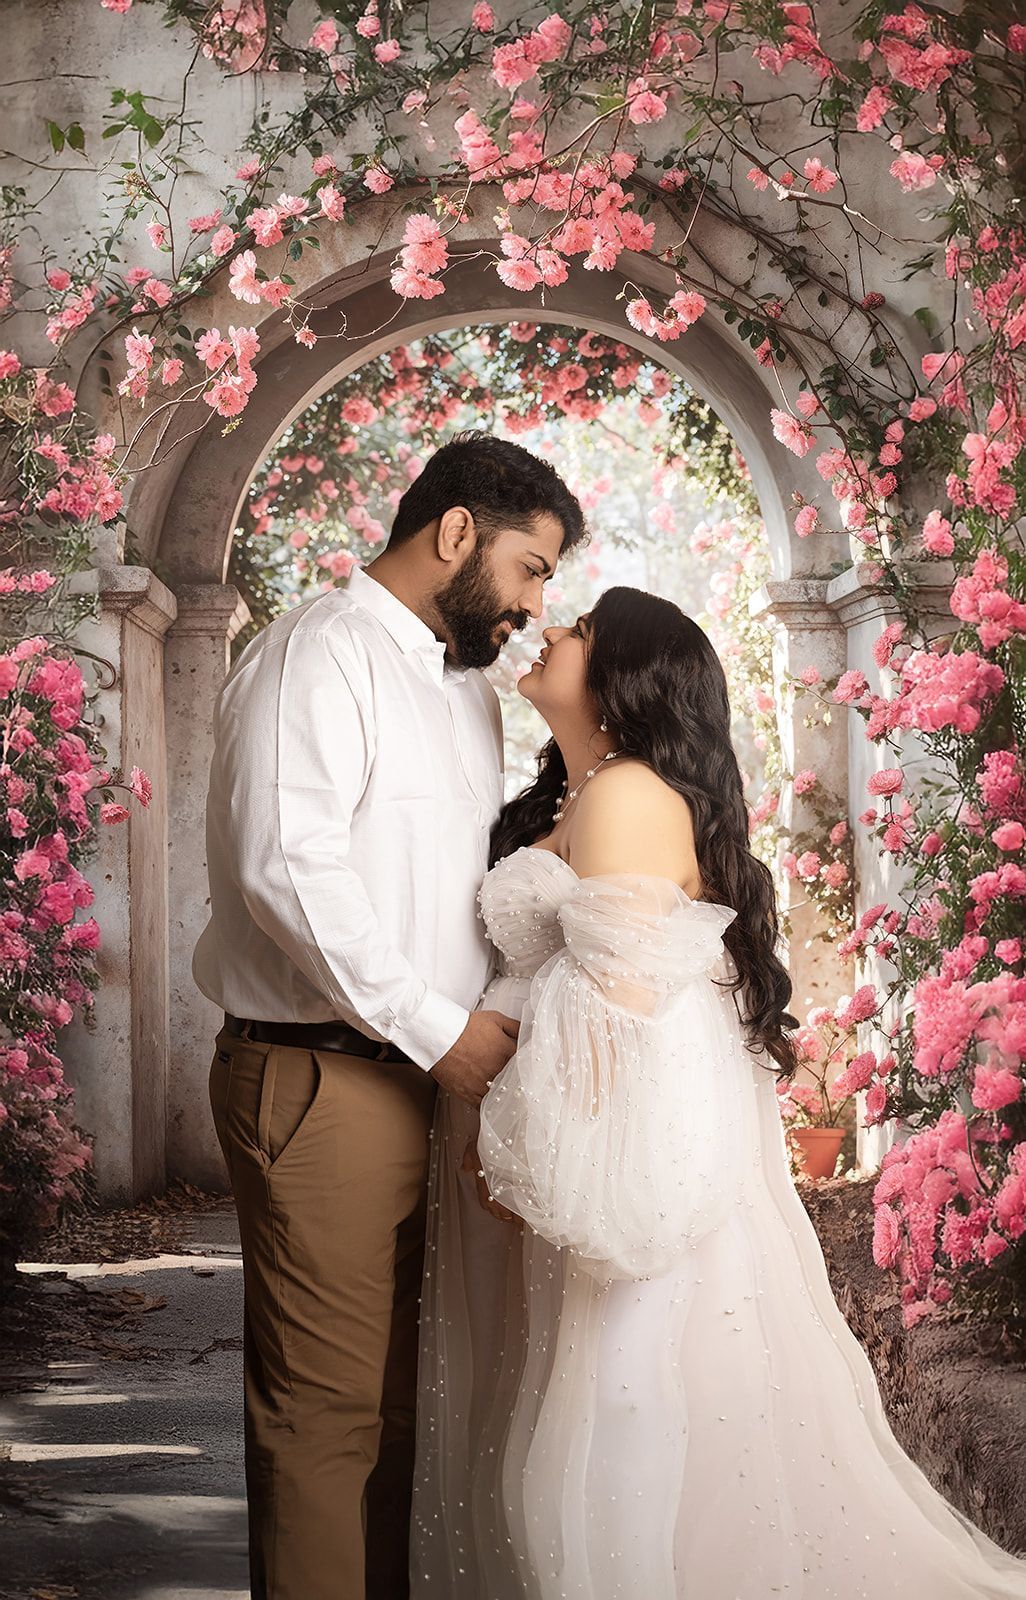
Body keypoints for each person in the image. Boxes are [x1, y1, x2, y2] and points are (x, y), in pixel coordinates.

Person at [411, 586, 1026, 1599]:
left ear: (625, 679)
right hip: (589, 1121)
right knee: (600, 1394)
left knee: (623, 1399)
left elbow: (614, 1009)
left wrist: (524, 1152)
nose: (549, 630)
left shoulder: (625, 796)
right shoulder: (582, 792)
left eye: (578, 631)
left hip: (617, 1139)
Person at [193, 429, 587, 1600]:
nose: (534, 603)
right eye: (529, 567)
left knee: (406, 1405)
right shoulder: (320, 652)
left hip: (424, 1078)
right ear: (456, 532)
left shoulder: (462, 688)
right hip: (324, 1077)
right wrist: (440, 1029)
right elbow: (287, 868)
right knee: (326, 1419)